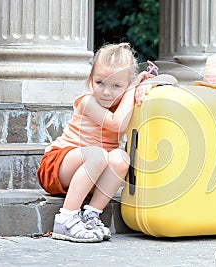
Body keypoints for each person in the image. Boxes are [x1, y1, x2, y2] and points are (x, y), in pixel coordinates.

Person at [37, 43, 154, 242]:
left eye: (116, 86)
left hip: (94, 172)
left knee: (120, 158)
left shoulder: (124, 100)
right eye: (100, 82)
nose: (106, 92)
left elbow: (171, 80)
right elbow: (116, 124)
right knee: (98, 154)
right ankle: (65, 219)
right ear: (90, 79)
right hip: (59, 167)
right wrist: (132, 88)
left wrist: (145, 85)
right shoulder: (87, 101)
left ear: (126, 84)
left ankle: (91, 215)